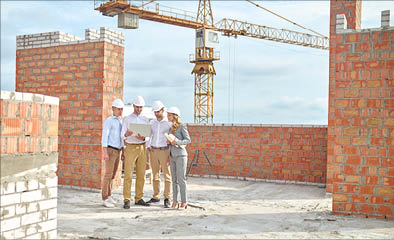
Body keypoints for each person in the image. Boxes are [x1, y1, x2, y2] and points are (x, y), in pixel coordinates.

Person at [121, 96, 151, 208]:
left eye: (140, 107)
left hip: (142, 148)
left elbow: (148, 135)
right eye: (137, 107)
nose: (139, 109)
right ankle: (127, 199)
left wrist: (143, 138)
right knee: (128, 174)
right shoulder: (127, 119)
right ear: (133, 106)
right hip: (130, 147)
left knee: (141, 175)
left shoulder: (145, 119)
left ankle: (139, 198)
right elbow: (122, 134)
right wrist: (126, 134)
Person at [146, 100, 172, 208]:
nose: (156, 114)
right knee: (155, 175)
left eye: (158, 112)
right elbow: (149, 135)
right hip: (153, 151)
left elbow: (172, 138)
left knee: (167, 175)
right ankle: (156, 196)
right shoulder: (152, 122)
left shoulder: (169, 124)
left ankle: (167, 198)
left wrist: (171, 153)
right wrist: (148, 145)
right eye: (155, 112)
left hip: (165, 151)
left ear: (163, 110)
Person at [101, 99, 125, 208]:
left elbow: (121, 137)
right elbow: (104, 136)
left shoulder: (121, 121)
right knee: (108, 175)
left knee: (113, 175)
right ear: (113, 109)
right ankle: (104, 198)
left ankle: (109, 195)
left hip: (118, 150)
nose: (120, 111)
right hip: (110, 150)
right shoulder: (109, 121)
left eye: (121, 109)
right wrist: (105, 152)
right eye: (118, 109)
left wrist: (123, 150)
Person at [166, 107, 191, 210]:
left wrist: (177, 142)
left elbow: (188, 140)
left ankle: (184, 201)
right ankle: (175, 200)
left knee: (181, 179)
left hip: (181, 155)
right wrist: (169, 142)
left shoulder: (182, 126)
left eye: (169, 115)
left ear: (175, 116)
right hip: (172, 155)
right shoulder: (170, 128)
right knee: (174, 179)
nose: (167, 117)